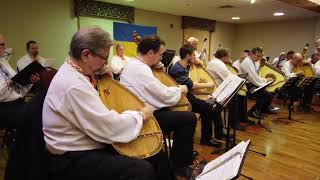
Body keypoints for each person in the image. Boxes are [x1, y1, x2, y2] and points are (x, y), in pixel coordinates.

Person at [43, 28, 174, 180]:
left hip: (88, 141)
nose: (107, 62)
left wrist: (99, 74)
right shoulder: (74, 85)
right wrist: (141, 115)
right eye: (104, 58)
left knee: (157, 155)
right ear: (86, 55)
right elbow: (108, 127)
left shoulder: (77, 71)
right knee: (142, 170)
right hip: (73, 157)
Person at [120, 35, 197, 178]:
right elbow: (162, 94)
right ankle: (179, 164)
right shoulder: (140, 69)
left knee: (184, 117)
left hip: (144, 110)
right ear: (150, 53)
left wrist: (156, 67)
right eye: (160, 55)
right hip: (145, 116)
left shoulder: (135, 64)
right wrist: (179, 89)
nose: (161, 58)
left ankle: (179, 159)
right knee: (190, 118)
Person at [169, 44, 225, 147]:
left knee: (209, 106)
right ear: (187, 56)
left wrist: (202, 66)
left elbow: (199, 73)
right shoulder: (178, 69)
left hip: (188, 96)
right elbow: (191, 85)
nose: (195, 58)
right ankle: (206, 139)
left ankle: (208, 137)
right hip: (182, 99)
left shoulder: (184, 65)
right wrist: (207, 85)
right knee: (208, 108)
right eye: (194, 55)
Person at [206, 48, 249, 130]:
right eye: (228, 57)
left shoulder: (217, 62)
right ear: (224, 57)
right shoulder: (217, 64)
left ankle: (236, 120)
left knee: (237, 96)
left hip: (217, 87)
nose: (229, 58)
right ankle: (234, 123)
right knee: (235, 97)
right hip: (215, 90)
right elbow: (229, 77)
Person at [0, 34, 35, 130]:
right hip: (4, 107)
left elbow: (19, 86)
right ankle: (20, 143)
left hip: (18, 102)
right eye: (2, 44)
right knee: (33, 120)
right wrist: (10, 81)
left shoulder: (4, 62)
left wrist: (28, 80)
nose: (5, 47)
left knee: (42, 107)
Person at [240, 47, 275, 116]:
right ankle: (253, 111)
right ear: (251, 54)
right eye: (258, 56)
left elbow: (255, 76)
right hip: (247, 86)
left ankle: (263, 110)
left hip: (251, 84)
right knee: (265, 95)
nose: (259, 58)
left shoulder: (251, 61)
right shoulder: (247, 62)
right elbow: (253, 78)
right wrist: (265, 81)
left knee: (269, 94)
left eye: (260, 56)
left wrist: (265, 81)